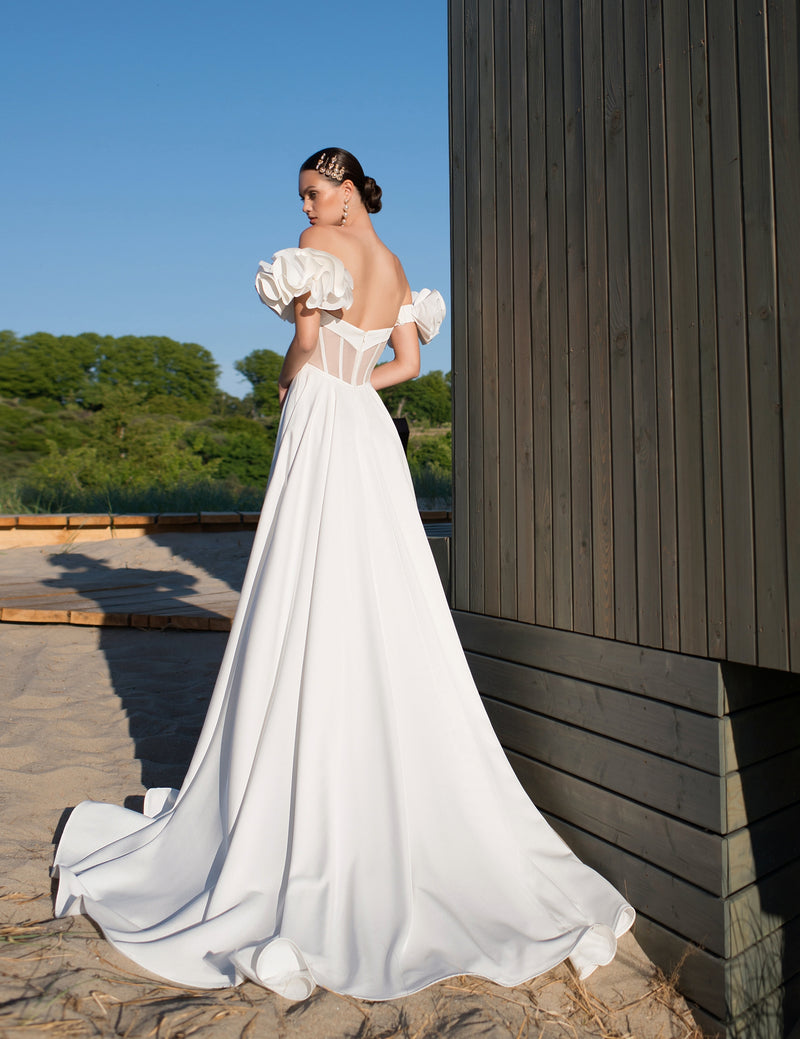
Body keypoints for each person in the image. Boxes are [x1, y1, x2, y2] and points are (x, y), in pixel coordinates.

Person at [53, 148, 634, 1001]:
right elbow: (408, 366)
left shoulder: (310, 246)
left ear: (345, 187)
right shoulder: (394, 262)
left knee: (306, 578)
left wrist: (300, 380)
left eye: (316, 190)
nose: (309, 205)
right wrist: (356, 380)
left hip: (325, 418)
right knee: (381, 583)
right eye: (305, 197)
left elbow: (303, 346)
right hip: (365, 422)